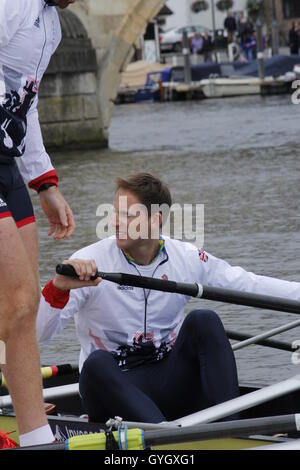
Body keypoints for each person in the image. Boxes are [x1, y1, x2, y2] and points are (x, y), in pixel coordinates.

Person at [37, 173, 300, 424]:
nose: (115, 222)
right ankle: (166, 438)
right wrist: (58, 288)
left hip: (168, 381)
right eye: (114, 212)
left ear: (156, 220)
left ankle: (231, 429)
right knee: (96, 364)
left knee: (204, 320)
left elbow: (248, 284)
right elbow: (37, 335)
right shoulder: (89, 262)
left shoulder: (185, 257)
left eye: (128, 215)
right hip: (111, 390)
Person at [0, 0, 76, 448]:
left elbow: (26, 103)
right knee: (18, 297)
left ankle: (35, 437)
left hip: (8, 161)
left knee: (21, 312)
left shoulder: (53, 24)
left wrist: (44, 182)